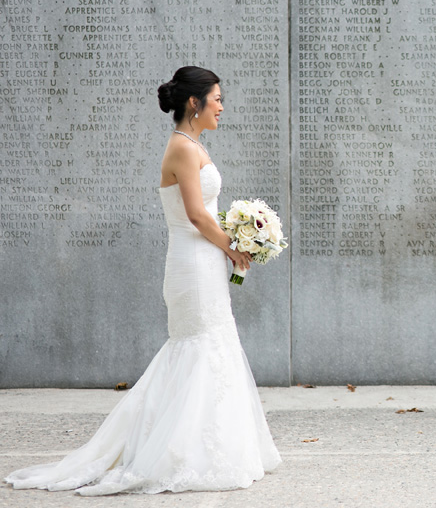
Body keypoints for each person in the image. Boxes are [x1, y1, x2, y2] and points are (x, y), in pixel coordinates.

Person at [5, 67, 280, 494]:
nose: (223, 107)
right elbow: (194, 214)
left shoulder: (191, 144)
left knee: (211, 345)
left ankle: (212, 445)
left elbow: (206, 211)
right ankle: (177, 451)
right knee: (198, 347)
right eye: (217, 98)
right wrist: (233, 244)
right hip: (192, 261)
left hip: (203, 259)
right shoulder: (183, 149)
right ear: (195, 102)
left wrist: (240, 236)